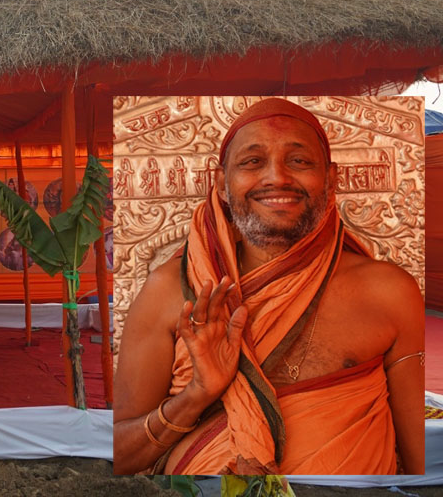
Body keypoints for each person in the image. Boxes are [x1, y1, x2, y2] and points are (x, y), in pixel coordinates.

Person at [114, 98, 424, 476]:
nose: (277, 177)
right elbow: (123, 458)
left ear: (331, 179)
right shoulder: (169, 291)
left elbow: (418, 468)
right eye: (252, 161)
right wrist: (196, 395)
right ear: (222, 184)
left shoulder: (389, 292)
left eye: (299, 161)